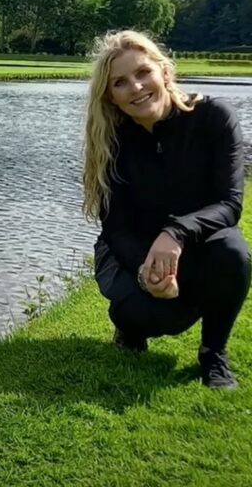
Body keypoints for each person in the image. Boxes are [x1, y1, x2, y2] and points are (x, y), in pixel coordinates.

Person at [83, 29, 249, 389]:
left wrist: (175, 232)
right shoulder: (113, 141)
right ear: (110, 97)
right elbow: (115, 227)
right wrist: (146, 271)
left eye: (143, 73)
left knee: (234, 254)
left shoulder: (214, 118)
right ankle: (128, 325)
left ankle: (213, 355)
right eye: (120, 83)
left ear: (164, 72)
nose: (137, 87)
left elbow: (230, 204)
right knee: (166, 317)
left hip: (196, 242)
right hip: (133, 251)